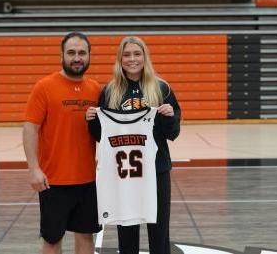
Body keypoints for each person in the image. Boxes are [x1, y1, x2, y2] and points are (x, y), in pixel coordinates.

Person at [86, 36, 181, 254]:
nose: (132, 59)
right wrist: (91, 121)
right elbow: (102, 136)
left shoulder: (161, 88)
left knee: (159, 232)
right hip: (124, 174)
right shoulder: (110, 91)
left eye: (137, 54)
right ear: (120, 59)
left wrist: (168, 117)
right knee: (126, 231)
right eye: (126, 55)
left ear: (145, 57)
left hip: (156, 170)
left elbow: (173, 133)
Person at [23, 32, 101, 254]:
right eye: (71, 53)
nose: (77, 58)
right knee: (52, 239)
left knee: (86, 235)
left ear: (89, 56)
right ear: (62, 55)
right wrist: (33, 169)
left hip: (88, 180)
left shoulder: (96, 89)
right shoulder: (45, 86)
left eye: (82, 53)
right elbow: (30, 128)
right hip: (53, 181)